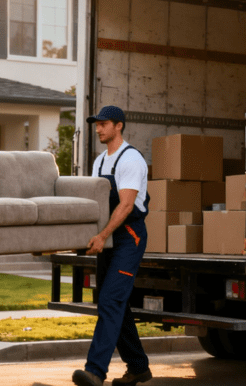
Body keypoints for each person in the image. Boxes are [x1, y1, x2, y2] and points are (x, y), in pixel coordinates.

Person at [72, 105, 153, 386]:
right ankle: (138, 366)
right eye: (96, 124)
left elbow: (126, 205)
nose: (98, 129)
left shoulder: (131, 160)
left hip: (128, 237)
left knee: (110, 301)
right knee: (114, 303)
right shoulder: (99, 162)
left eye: (104, 124)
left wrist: (103, 235)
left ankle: (95, 371)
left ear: (119, 126)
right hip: (108, 238)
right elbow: (95, 205)